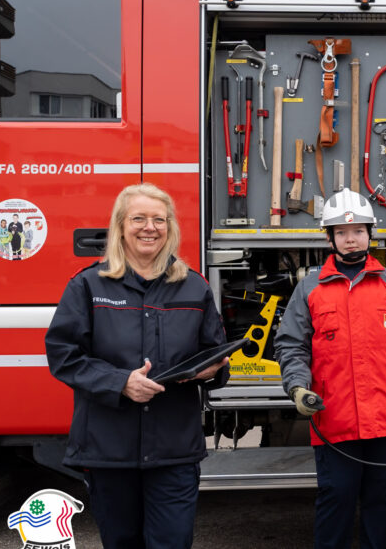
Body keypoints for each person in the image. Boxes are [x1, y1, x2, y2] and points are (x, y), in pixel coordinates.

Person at [45, 182, 230, 549]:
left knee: (172, 542)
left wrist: (213, 370)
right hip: (108, 448)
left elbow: (215, 353)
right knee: (122, 542)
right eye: (139, 219)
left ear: (170, 227)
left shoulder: (194, 288)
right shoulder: (87, 285)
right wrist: (119, 382)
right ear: (120, 226)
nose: (150, 227)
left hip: (174, 449)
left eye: (159, 219)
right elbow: (63, 355)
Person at [274, 188, 386, 549]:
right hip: (334, 419)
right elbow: (291, 344)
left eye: (358, 231)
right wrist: (298, 387)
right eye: (342, 232)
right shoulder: (310, 288)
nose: (351, 239)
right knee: (337, 499)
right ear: (329, 237)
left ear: (370, 234)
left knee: (380, 502)